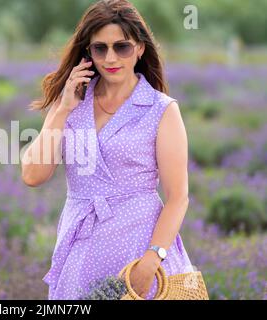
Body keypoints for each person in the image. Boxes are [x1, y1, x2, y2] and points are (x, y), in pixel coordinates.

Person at [22, 0, 194, 300]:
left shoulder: (160, 110)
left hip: (138, 251)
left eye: (122, 47)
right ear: (87, 51)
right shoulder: (71, 104)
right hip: (80, 249)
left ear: (140, 48)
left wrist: (152, 260)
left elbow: (178, 197)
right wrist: (62, 109)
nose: (110, 57)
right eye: (99, 48)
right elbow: (33, 175)